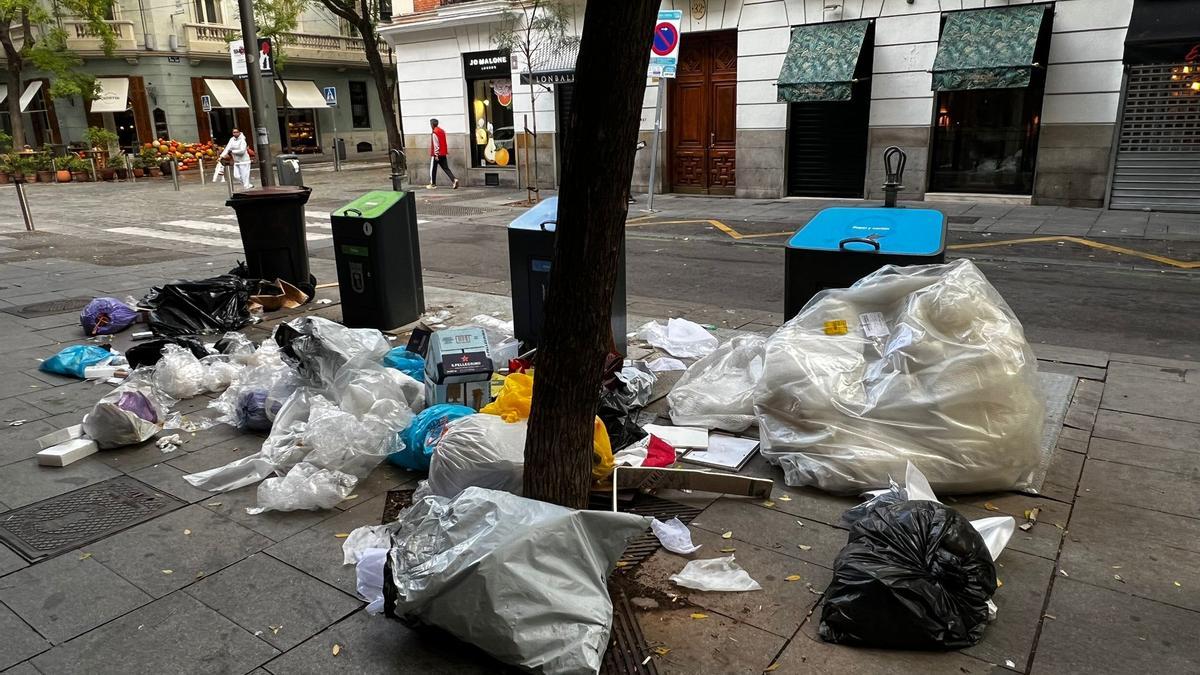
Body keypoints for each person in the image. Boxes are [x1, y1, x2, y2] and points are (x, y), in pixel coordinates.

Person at [427, 118, 459, 190]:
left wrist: (436, 154)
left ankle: (433, 184)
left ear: (432, 124)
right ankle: (454, 179)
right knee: (446, 168)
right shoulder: (442, 131)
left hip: (437, 154)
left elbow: (436, 144)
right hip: (443, 153)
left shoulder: (435, 132)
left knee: (433, 169)